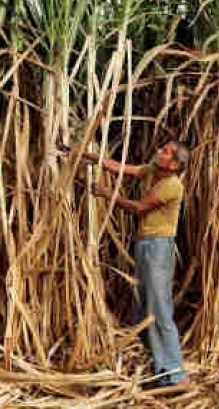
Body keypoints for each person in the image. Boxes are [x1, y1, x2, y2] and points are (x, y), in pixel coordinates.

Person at [76, 140, 191, 388]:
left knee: (159, 311)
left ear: (174, 165)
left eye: (166, 151)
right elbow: (120, 168)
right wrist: (87, 155)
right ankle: (161, 369)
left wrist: (108, 195)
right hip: (146, 246)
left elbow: (139, 208)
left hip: (159, 248)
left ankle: (176, 375)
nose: (158, 150)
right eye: (161, 148)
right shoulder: (153, 171)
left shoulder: (171, 186)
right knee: (142, 313)